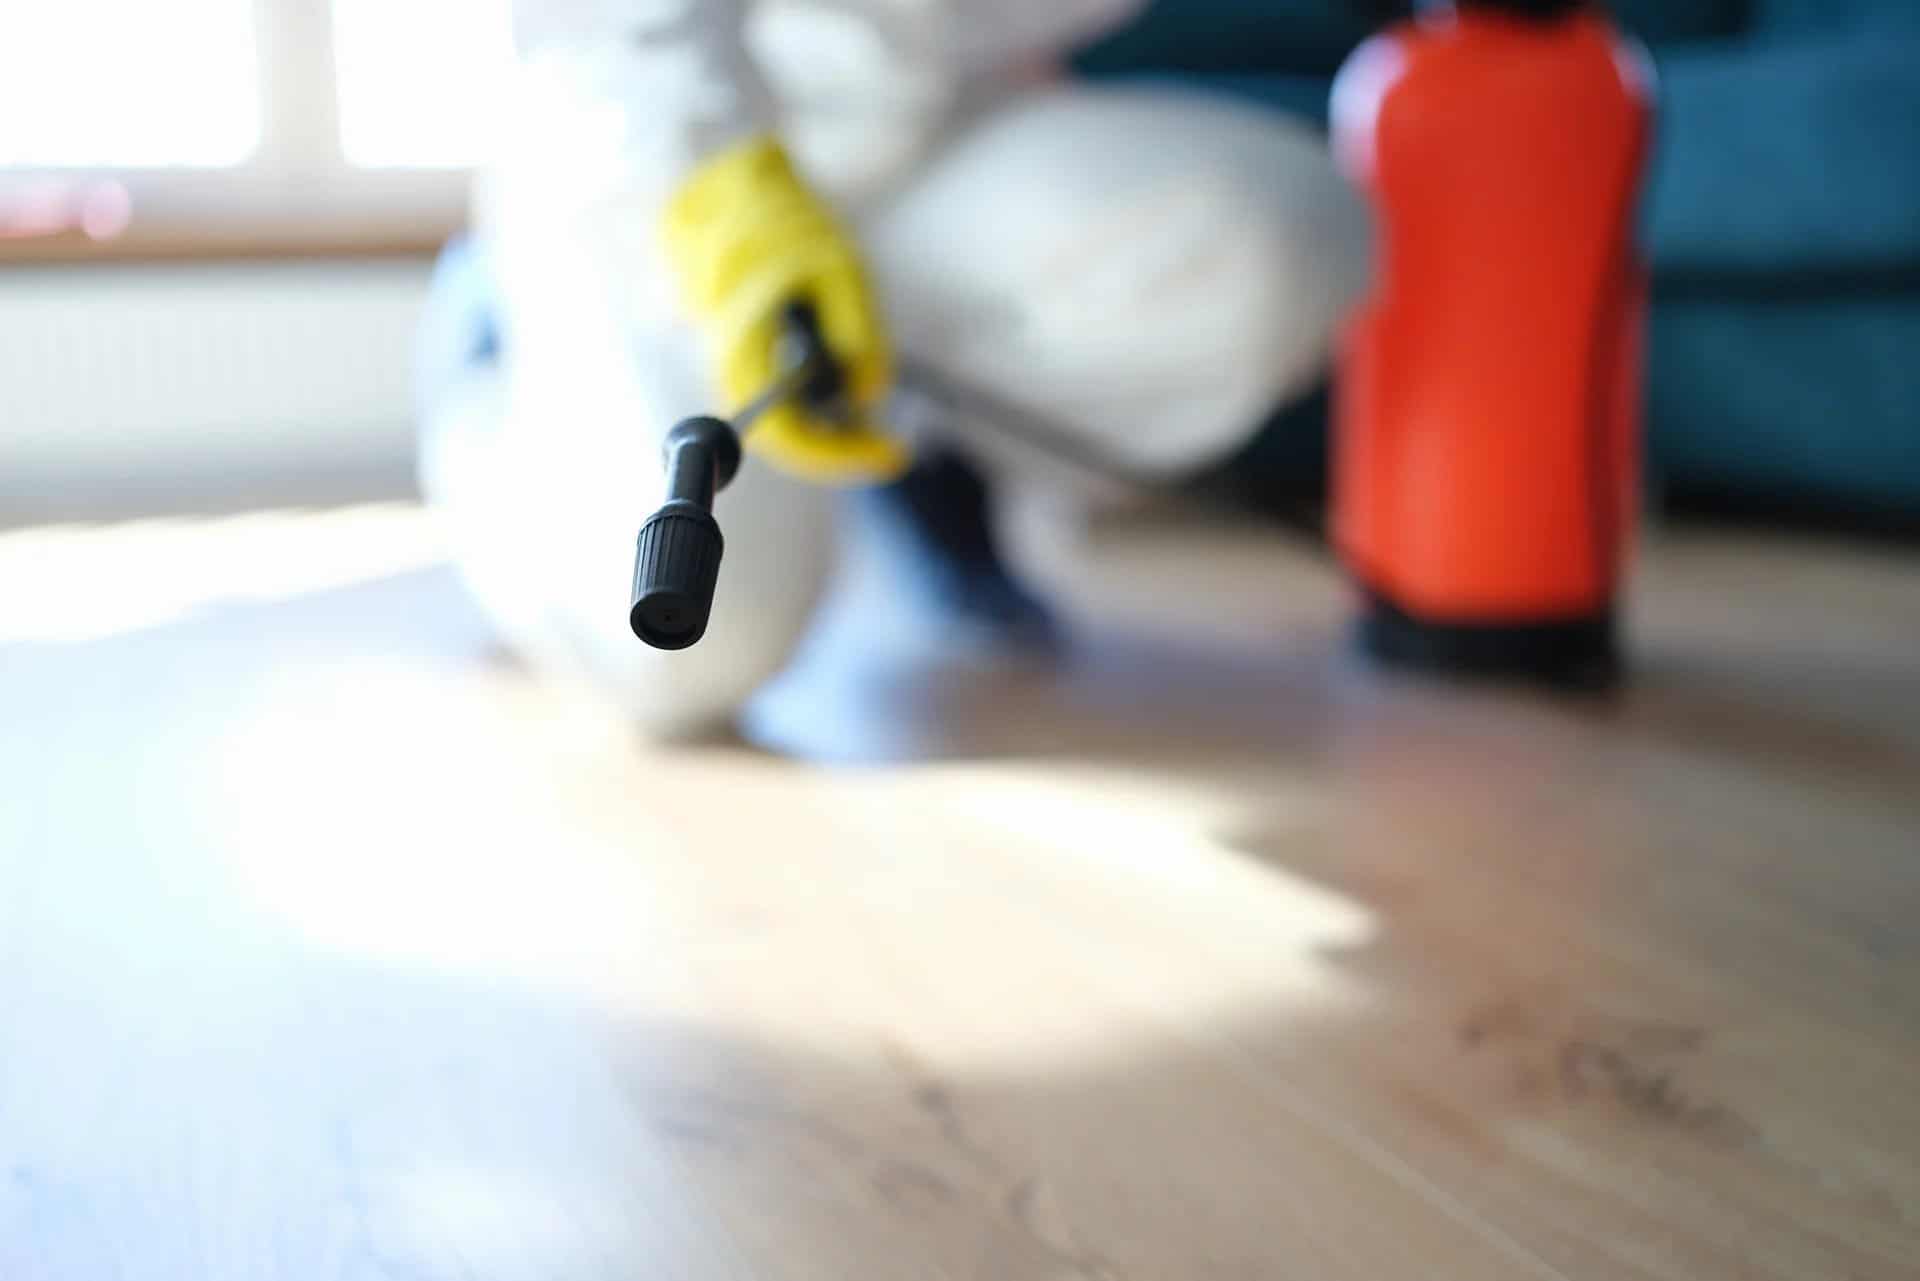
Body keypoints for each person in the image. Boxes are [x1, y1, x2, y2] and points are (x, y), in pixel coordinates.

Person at [419, 0, 1372, 737]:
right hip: (648, 157)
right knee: (685, 661)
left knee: (1277, 242)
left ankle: (928, 459)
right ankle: (485, 349)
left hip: (929, 135)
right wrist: (726, 191)